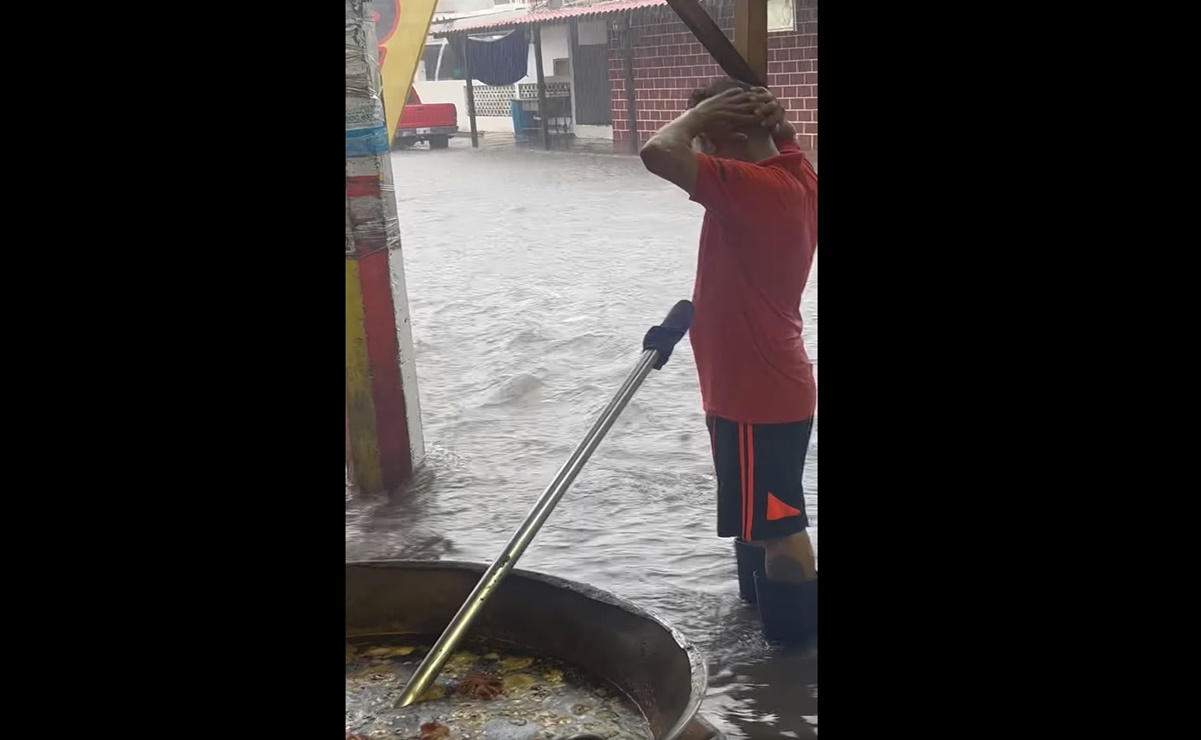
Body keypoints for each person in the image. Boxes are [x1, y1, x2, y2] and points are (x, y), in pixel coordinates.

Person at [639, 78, 818, 647]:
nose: (701, 152)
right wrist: (771, 122)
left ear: (732, 135)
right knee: (760, 524)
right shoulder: (795, 173)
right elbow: (786, 141)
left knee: (781, 531)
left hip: (757, 395)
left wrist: (702, 116)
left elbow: (658, 152)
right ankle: (759, 647)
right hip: (758, 387)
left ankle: (792, 665)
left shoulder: (763, 189)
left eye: (708, 138)